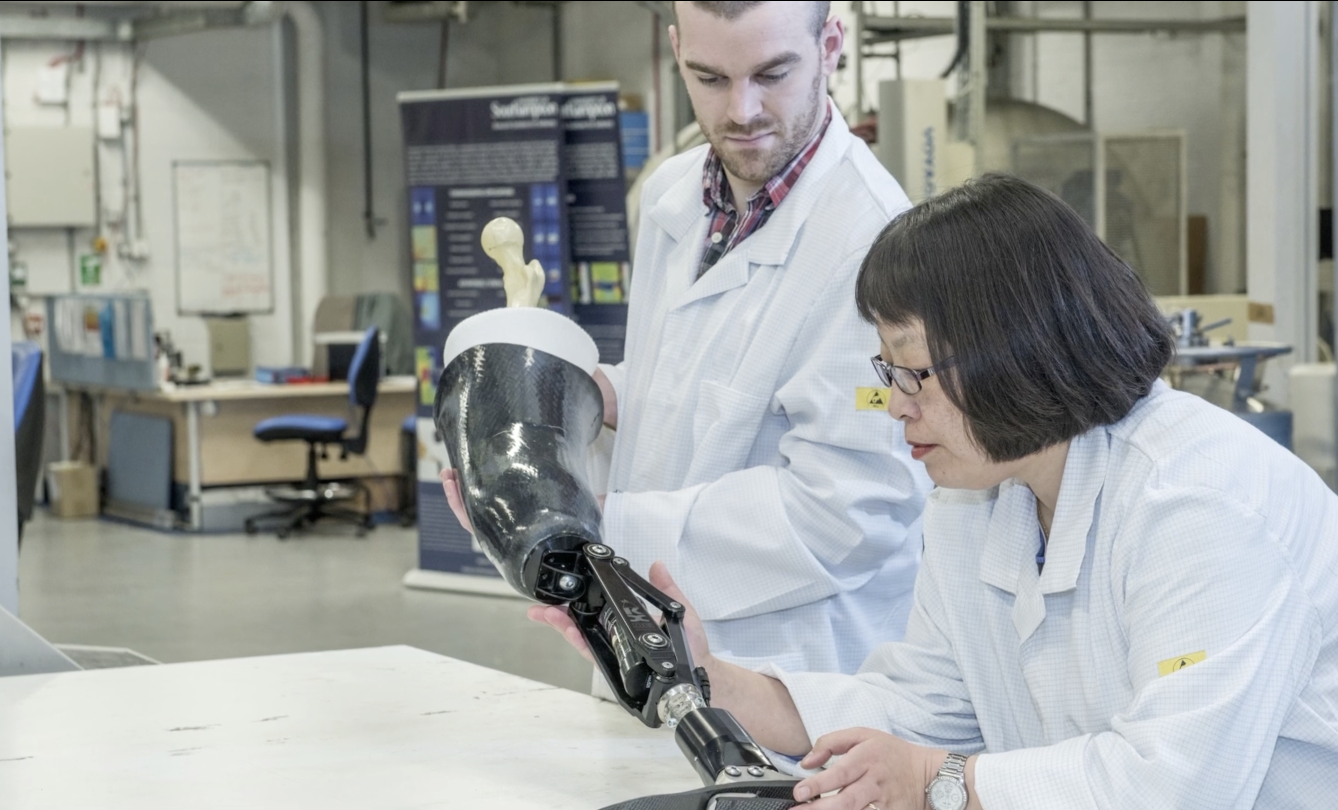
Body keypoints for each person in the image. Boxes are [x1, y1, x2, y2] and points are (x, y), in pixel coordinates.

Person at [531, 174, 1338, 809]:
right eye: (886, 371)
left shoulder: (1201, 502)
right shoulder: (979, 497)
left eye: (912, 369)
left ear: (1019, 350)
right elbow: (922, 711)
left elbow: (1177, 788)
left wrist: (937, 784)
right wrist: (705, 677)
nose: (894, 403)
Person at [445, 0, 931, 676]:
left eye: (772, 74)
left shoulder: (879, 245)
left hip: (791, 677)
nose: (742, 110)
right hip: (641, 636)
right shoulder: (674, 197)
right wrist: (583, 396)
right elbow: (681, 382)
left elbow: (845, 514)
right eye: (710, 78)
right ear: (676, 50)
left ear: (831, 42)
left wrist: (596, 526)